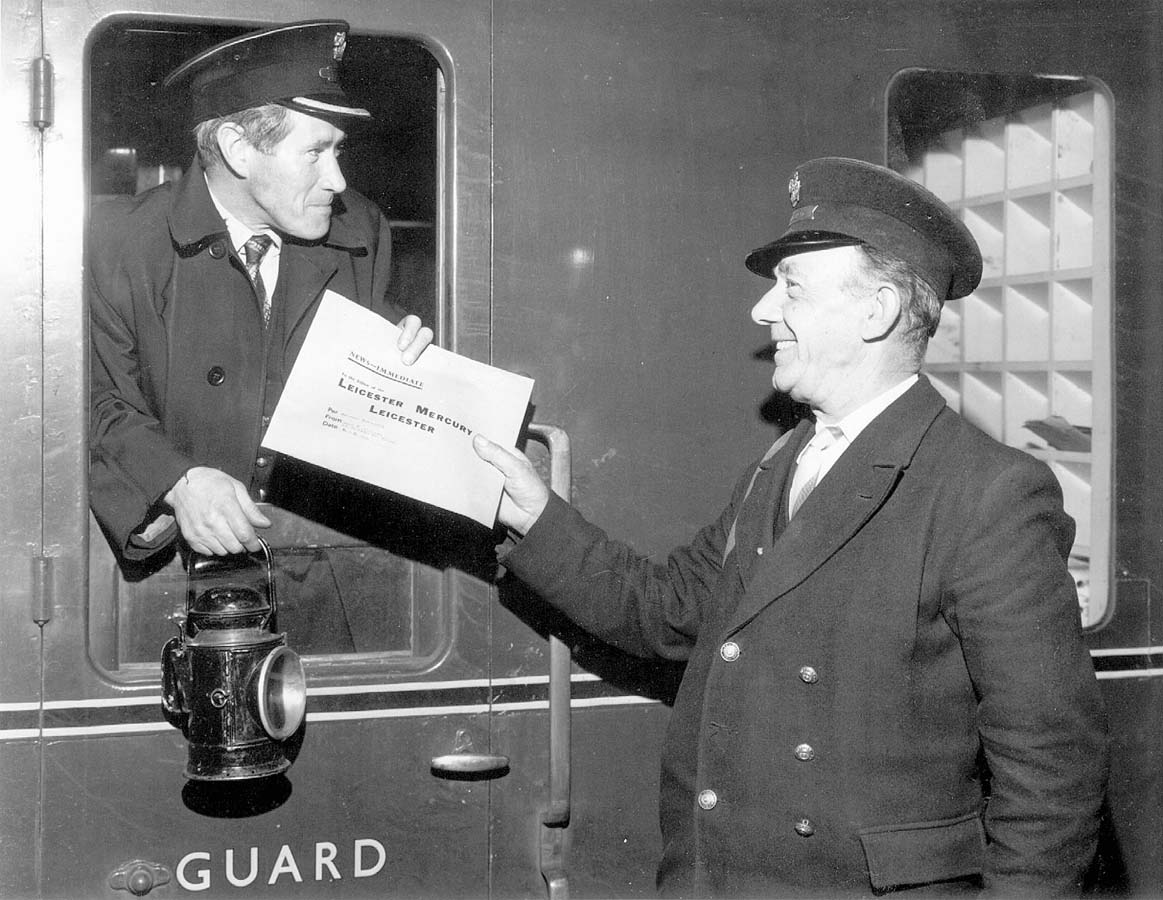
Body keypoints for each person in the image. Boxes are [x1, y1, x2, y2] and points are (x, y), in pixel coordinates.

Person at [473, 157, 1109, 897]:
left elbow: (1052, 775)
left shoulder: (986, 492)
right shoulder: (784, 462)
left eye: (792, 287)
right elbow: (668, 611)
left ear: (875, 312)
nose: (762, 310)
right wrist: (534, 514)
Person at [88, 20, 433, 563]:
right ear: (238, 150)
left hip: (317, 558)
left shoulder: (361, 230)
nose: (338, 181)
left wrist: (406, 368)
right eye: (315, 153)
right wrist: (177, 480)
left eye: (339, 151)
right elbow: (96, 401)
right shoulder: (120, 245)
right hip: (174, 572)